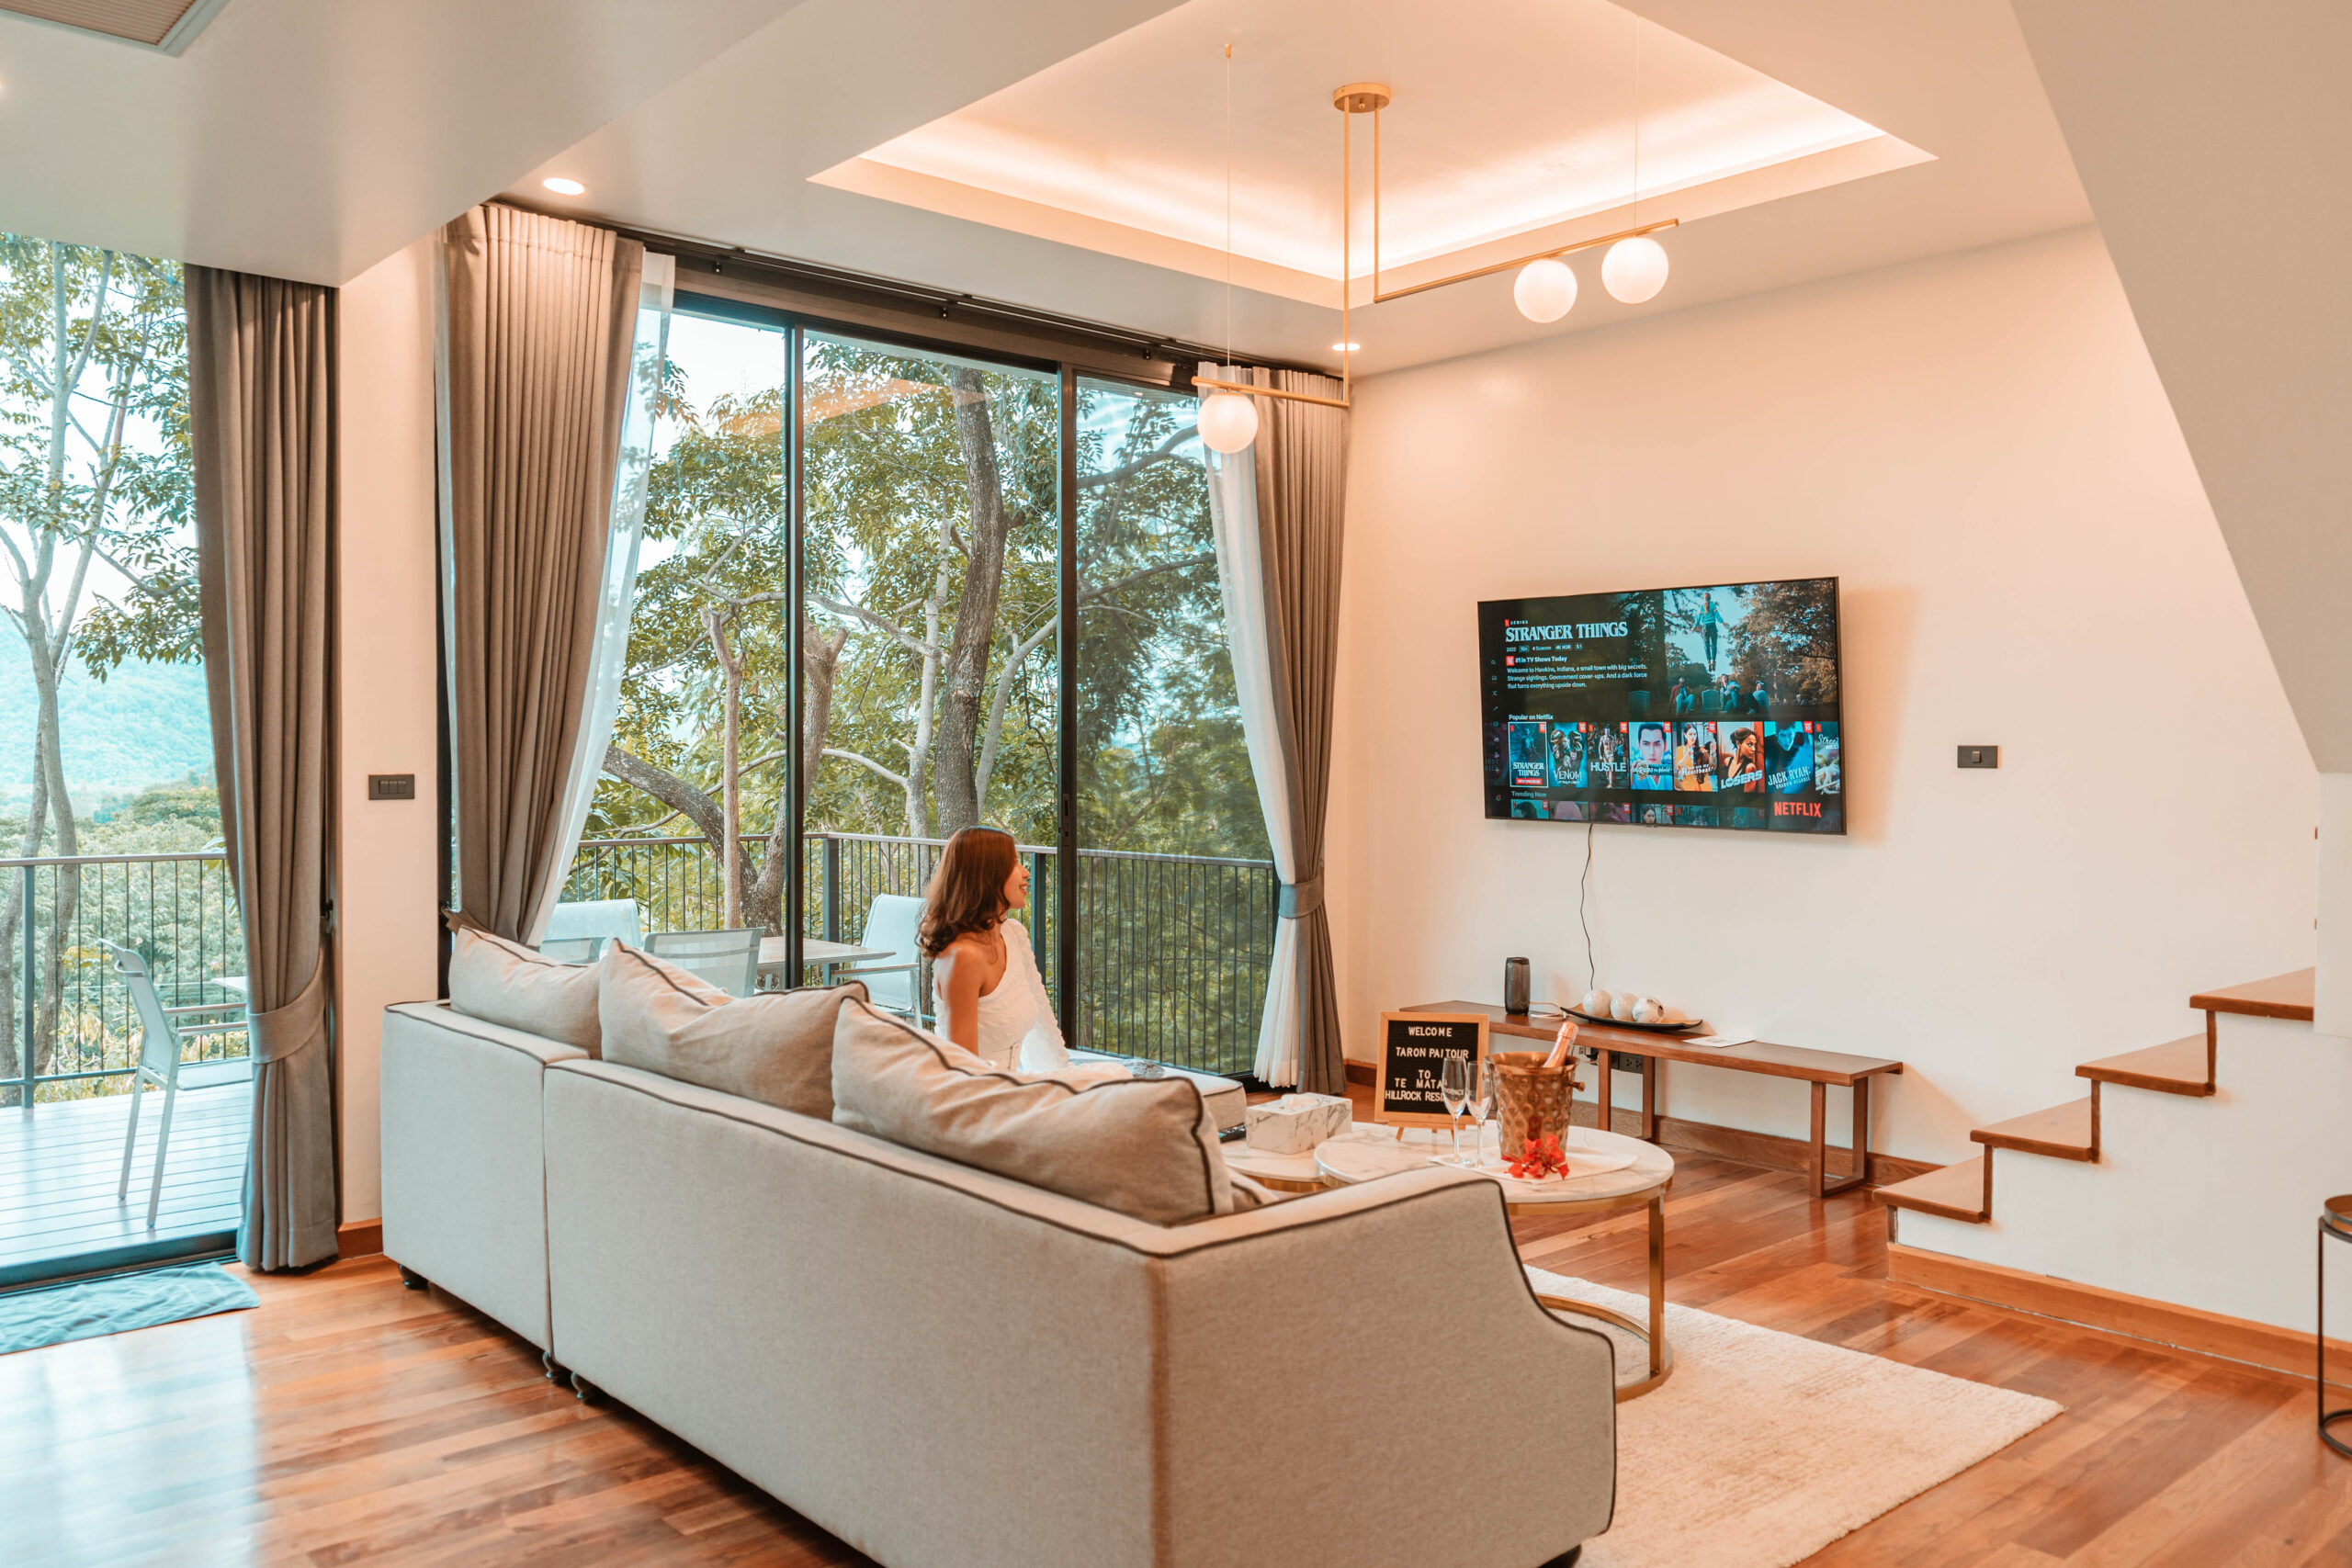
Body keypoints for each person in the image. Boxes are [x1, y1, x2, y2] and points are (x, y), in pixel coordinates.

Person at [923, 825, 1069, 1073]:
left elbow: (1042, 1023)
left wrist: (1061, 1077)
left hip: (1012, 1085)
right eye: (1013, 863)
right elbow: (964, 1070)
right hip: (980, 1097)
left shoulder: (1012, 934)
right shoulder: (963, 957)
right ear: (986, 874)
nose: (1026, 873)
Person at [1696, 592, 1726, 671]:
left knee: (1706, 645)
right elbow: (1717, 615)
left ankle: (1708, 662)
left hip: (1705, 627)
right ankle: (1713, 661)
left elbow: (1698, 618)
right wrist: (1722, 622)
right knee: (1714, 645)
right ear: (1710, 598)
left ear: (1704, 598)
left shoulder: (1701, 607)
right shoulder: (1713, 605)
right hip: (1713, 626)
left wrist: (1694, 626)